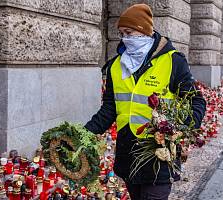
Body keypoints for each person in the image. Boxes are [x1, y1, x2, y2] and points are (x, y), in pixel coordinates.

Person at [85, 3, 206, 200]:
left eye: (129, 32)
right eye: (122, 33)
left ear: (144, 31)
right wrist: (84, 133)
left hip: (158, 154)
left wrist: (182, 126)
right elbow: (109, 109)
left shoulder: (173, 61)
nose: (125, 38)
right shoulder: (116, 66)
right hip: (129, 152)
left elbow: (196, 101)